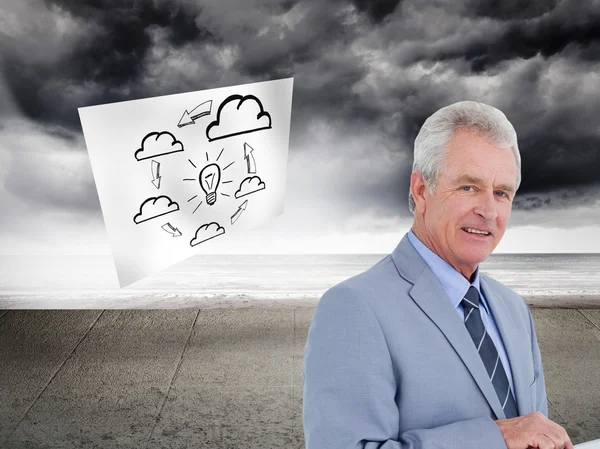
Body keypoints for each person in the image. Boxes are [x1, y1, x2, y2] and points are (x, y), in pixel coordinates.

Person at [302, 101, 573, 449]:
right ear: (420, 190)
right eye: (468, 187)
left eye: (502, 193)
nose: (488, 211)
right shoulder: (353, 308)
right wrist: (496, 438)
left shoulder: (513, 309)